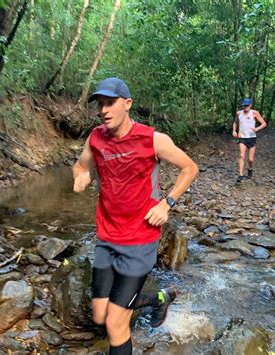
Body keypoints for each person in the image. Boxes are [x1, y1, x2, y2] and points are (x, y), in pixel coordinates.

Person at [72, 77, 198, 355]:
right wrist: (80, 177)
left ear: (127, 104)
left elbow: (189, 168)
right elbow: (81, 165)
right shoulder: (95, 138)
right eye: (101, 104)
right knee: (99, 315)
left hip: (139, 241)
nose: (104, 110)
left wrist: (166, 203)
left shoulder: (153, 139)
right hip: (106, 236)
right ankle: (158, 298)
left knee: (116, 325)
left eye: (110, 103)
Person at [232, 98, 267, 183]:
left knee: (250, 159)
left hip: (252, 138)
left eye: (247, 105)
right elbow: (235, 122)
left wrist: (257, 128)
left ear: (250, 105)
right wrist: (234, 131)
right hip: (242, 138)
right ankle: (240, 175)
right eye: (244, 105)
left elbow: (264, 123)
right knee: (241, 155)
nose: (245, 107)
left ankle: (250, 169)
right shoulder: (239, 113)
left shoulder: (254, 113)